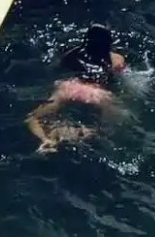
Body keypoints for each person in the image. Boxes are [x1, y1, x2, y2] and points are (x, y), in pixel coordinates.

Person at [28, 24, 127, 153]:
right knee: (116, 122)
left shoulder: (70, 54)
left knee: (34, 117)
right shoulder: (117, 59)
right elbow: (120, 77)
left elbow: (58, 68)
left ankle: (46, 140)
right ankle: (87, 134)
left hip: (71, 87)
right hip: (97, 93)